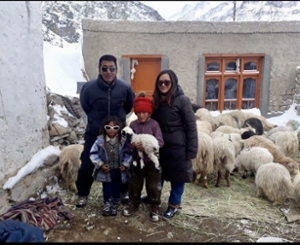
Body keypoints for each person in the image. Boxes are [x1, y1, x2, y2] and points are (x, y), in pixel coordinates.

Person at [76, 54, 135, 208]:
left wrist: (118, 123)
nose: (108, 71)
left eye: (112, 68)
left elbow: (128, 106)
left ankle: (124, 192)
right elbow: (86, 106)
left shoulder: (125, 88)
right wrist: (97, 122)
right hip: (95, 132)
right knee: (87, 163)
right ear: (99, 69)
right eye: (104, 68)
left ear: (116, 70)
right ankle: (83, 193)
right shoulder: (89, 88)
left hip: (119, 134)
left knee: (122, 163)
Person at [151, 69, 198, 219]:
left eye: (167, 82)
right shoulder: (156, 100)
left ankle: (173, 205)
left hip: (178, 143)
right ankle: (154, 198)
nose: (163, 85)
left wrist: (192, 150)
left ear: (173, 83)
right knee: (159, 174)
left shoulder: (182, 100)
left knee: (178, 177)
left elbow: (191, 126)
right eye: (160, 82)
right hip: (161, 143)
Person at [122, 92, 164, 222]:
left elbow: (160, 142)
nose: (141, 115)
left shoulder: (154, 125)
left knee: (153, 185)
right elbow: (127, 142)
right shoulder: (133, 125)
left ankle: (154, 206)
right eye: (138, 112)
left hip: (151, 161)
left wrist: (146, 147)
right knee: (134, 184)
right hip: (137, 160)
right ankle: (134, 203)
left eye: (144, 112)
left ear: (149, 113)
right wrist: (134, 146)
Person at [90, 115, 132, 216]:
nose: (111, 130)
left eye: (115, 128)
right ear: (104, 128)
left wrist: (125, 165)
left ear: (119, 128)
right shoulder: (100, 141)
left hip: (118, 170)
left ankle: (115, 203)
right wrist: (100, 164)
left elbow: (128, 153)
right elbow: (93, 154)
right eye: (108, 127)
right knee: (107, 188)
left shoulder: (122, 141)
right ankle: (107, 203)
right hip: (106, 171)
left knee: (117, 187)